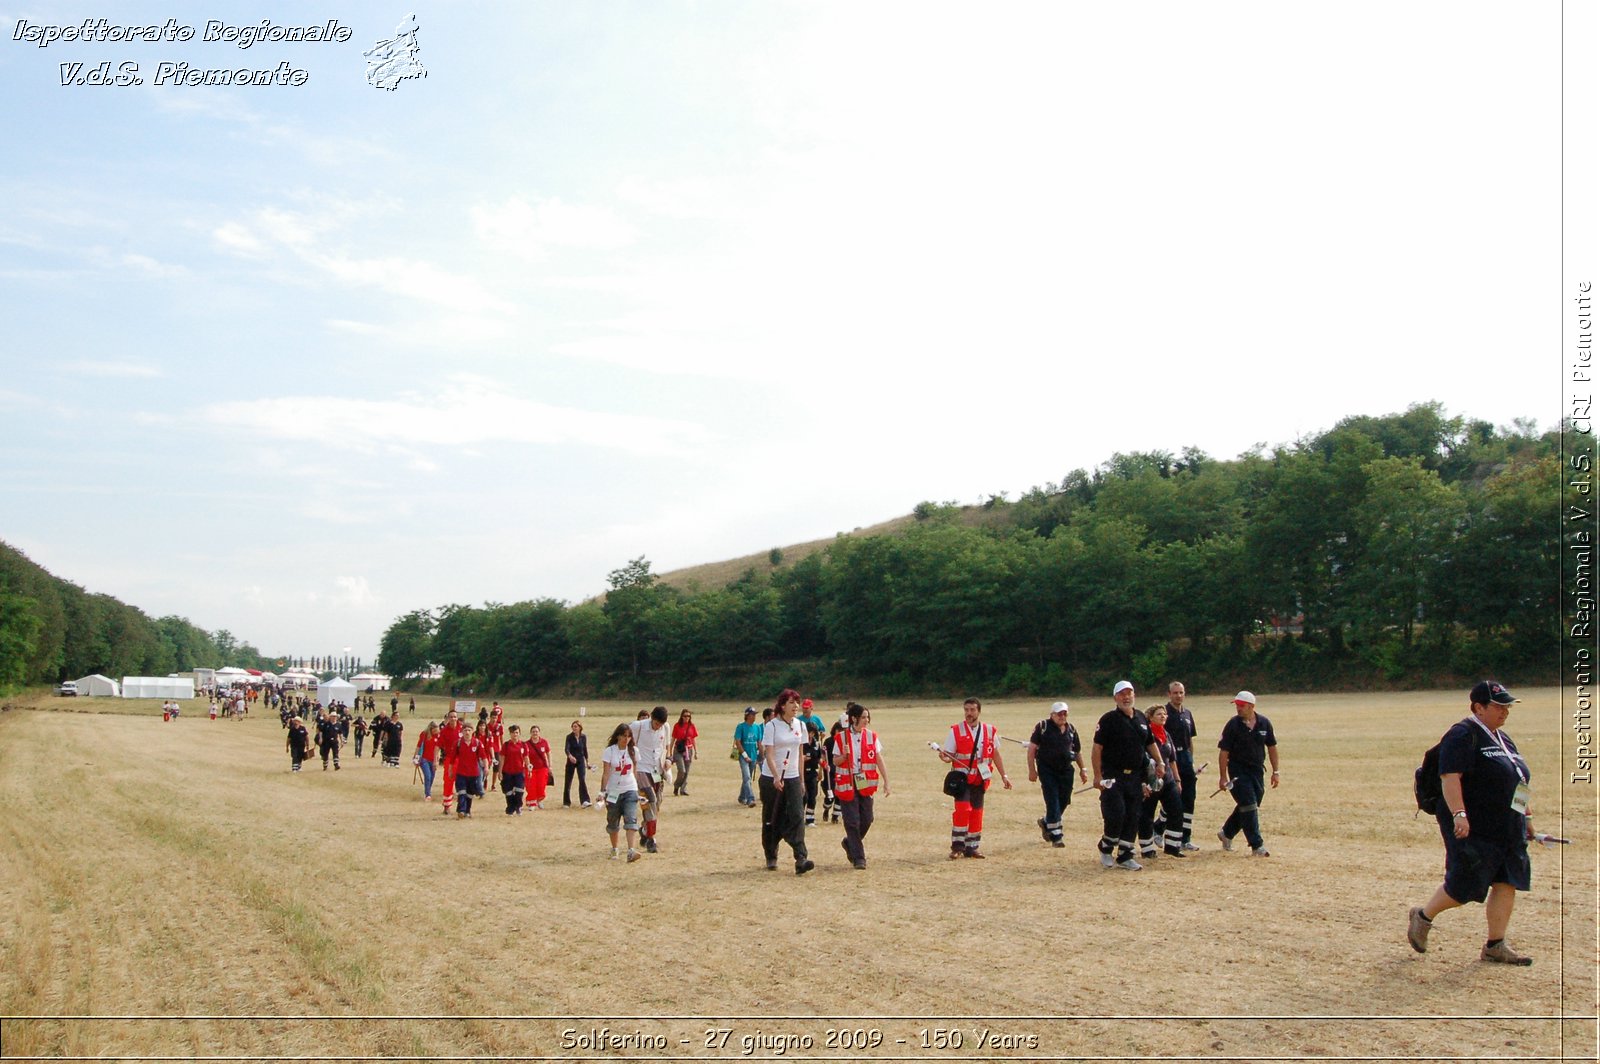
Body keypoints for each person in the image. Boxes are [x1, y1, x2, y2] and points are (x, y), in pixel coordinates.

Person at [1408, 681, 1536, 964]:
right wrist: (1459, 814)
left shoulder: (1503, 739)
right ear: (1479, 707)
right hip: (1475, 827)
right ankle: (1423, 916)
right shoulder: (1463, 734)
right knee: (1464, 886)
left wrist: (1526, 816)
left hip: (1507, 827)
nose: (1505, 711)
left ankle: (1495, 945)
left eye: (1507, 706)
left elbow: (1518, 779)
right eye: (1499, 705)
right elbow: (1449, 776)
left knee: (1507, 881)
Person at [1091, 680, 1165, 871]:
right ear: (1115, 697)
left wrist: (1160, 762)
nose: (1126, 697)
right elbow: (1097, 748)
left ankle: (1125, 855)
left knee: (1133, 815)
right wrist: (1097, 776)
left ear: (1134, 695)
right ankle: (1106, 848)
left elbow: (1150, 743)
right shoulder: (1108, 720)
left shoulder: (1140, 717)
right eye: (1122, 694)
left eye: (1129, 693)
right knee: (1116, 813)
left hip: (1135, 776)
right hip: (1113, 776)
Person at [938, 697, 1012, 859]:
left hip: (981, 778)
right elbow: (949, 755)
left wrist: (1004, 776)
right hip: (962, 780)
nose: (968, 713)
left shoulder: (990, 731)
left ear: (979, 711)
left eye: (972, 710)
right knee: (963, 810)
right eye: (966, 710)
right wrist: (944, 758)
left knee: (977, 812)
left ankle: (972, 847)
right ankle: (957, 847)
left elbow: (995, 754)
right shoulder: (956, 731)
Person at [1216, 690, 1279, 857]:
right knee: (1249, 804)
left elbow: (1272, 747)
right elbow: (1224, 752)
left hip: (1257, 771)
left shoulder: (1264, 723)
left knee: (1249, 804)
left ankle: (1226, 833)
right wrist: (1223, 776)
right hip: (1238, 770)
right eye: (1236, 705)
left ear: (1251, 706)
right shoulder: (1233, 725)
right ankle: (1257, 845)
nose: (1238, 709)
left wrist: (1276, 771)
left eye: (1241, 706)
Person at [760, 689, 813, 874]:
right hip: (771, 778)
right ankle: (771, 853)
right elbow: (769, 754)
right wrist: (775, 776)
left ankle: (801, 858)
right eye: (792, 702)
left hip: (793, 777)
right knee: (773, 818)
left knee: (797, 816)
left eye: (797, 702)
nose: (796, 706)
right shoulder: (772, 726)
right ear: (782, 706)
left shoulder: (800, 725)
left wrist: (802, 781)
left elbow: (799, 753)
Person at [831, 701, 889, 869]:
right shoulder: (841, 738)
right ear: (854, 718)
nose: (867, 720)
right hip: (847, 782)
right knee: (852, 821)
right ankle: (859, 858)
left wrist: (887, 781)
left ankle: (849, 843)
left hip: (864, 781)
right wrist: (844, 757)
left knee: (867, 818)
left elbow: (878, 758)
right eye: (863, 717)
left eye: (867, 717)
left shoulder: (871, 736)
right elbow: (835, 760)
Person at [1026, 701, 1087, 849]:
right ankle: (1056, 836)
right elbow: (1032, 749)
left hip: (1066, 770)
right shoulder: (1043, 727)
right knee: (1052, 799)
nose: (1062, 716)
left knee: (1064, 799)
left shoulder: (1071, 729)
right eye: (1059, 713)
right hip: (1047, 769)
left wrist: (1083, 769)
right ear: (1052, 715)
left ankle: (1047, 822)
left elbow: (1077, 751)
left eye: (1064, 713)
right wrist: (1032, 770)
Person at [1141, 705, 1186, 858]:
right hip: (1150, 781)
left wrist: (1177, 780)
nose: (1163, 716)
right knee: (1147, 814)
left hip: (1167, 780)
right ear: (1150, 717)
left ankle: (1173, 847)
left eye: (1164, 714)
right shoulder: (1146, 734)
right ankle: (1147, 849)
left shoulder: (1166, 734)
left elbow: (1172, 760)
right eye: (1159, 714)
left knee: (1176, 810)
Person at [1162, 681, 1201, 850]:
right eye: (1175, 692)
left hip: (1185, 758)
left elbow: (1189, 740)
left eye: (1181, 692)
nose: (1179, 695)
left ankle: (1186, 838)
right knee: (1173, 799)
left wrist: (1191, 760)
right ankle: (1159, 828)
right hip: (1171, 759)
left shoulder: (1187, 714)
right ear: (1169, 694)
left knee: (1189, 798)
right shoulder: (1164, 714)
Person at [629, 707, 670, 853]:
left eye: (660, 724)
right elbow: (622, 739)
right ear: (651, 718)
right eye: (656, 723)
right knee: (650, 801)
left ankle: (645, 829)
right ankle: (651, 839)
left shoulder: (665, 727)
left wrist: (669, 760)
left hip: (657, 770)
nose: (658, 726)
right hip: (641, 769)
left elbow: (666, 746)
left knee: (657, 803)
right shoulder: (637, 726)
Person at [600, 722, 642, 862]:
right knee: (613, 822)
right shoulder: (610, 751)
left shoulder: (634, 751)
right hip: (613, 791)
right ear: (617, 736)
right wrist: (602, 791)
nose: (626, 739)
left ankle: (631, 850)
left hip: (630, 788)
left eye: (629, 736)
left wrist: (638, 789)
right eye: (624, 736)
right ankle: (614, 849)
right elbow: (606, 773)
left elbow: (635, 770)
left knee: (631, 819)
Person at [453, 720, 484, 818]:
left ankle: (467, 811)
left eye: (469, 730)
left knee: (470, 794)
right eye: (465, 730)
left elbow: (484, 757)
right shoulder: (458, 743)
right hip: (461, 772)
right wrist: (450, 770)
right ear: (462, 732)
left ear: (473, 731)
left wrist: (486, 767)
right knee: (462, 791)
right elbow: (452, 758)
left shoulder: (477, 743)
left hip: (473, 773)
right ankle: (461, 810)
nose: (467, 732)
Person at [732, 707, 762, 807]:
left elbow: (759, 742)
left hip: (753, 756)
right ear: (747, 715)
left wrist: (760, 756)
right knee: (747, 777)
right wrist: (745, 755)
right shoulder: (741, 727)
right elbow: (738, 742)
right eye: (752, 714)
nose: (754, 717)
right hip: (743, 756)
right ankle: (750, 799)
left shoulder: (757, 727)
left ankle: (742, 797)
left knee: (746, 779)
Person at [500, 724, 530, 815]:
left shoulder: (523, 745)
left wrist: (529, 769)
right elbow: (502, 759)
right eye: (513, 733)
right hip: (507, 772)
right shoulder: (506, 745)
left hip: (519, 771)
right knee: (508, 792)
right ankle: (510, 807)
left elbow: (526, 758)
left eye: (516, 732)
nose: (515, 734)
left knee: (519, 791)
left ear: (519, 733)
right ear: (510, 734)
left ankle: (518, 807)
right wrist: (500, 772)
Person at [563, 720, 593, 808]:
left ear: (580, 728)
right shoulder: (569, 737)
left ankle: (585, 800)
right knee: (568, 781)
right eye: (573, 726)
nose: (574, 728)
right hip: (571, 761)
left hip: (580, 760)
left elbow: (585, 749)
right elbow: (566, 749)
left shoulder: (583, 737)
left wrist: (587, 761)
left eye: (576, 726)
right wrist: (570, 756)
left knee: (582, 779)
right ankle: (566, 802)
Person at [670, 709, 698, 796]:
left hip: (688, 750)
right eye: (685, 716)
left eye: (689, 716)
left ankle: (683, 789)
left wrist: (696, 751)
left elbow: (693, 739)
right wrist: (670, 752)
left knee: (687, 772)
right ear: (681, 716)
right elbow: (673, 739)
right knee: (682, 770)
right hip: (678, 750)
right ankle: (676, 786)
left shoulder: (692, 726)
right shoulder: (677, 726)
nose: (687, 718)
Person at [527, 725, 553, 809]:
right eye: (533, 731)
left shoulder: (544, 742)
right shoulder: (526, 744)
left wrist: (550, 765)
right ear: (530, 733)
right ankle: (532, 803)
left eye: (536, 731)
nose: (535, 733)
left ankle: (540, 800)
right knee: (531, 786)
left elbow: (548, 753)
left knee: (541, 785)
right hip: (531, 769)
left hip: (543, 768)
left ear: (539, 733)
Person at [414, 721, 440, 801]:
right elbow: (419, 746)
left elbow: (438, 748)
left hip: (433, 759)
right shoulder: (424, 735)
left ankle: (428, 789)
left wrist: (437, 759)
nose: (436, 732)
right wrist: (416, 758)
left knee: (432, 777)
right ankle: (427, 794)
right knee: (427, 776)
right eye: (434, 730)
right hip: (424, 759)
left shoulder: (438, 736)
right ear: (430, 729)